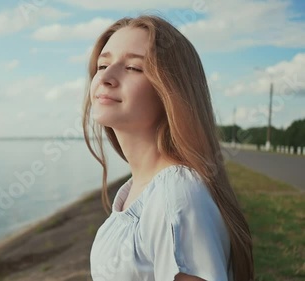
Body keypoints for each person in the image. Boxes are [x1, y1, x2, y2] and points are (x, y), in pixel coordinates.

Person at [82, 15, 254, 281]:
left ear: (170, 91)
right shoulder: (139, 190)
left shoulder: (177, 193)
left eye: (133, 68)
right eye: (103, 64)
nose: (106, 76)